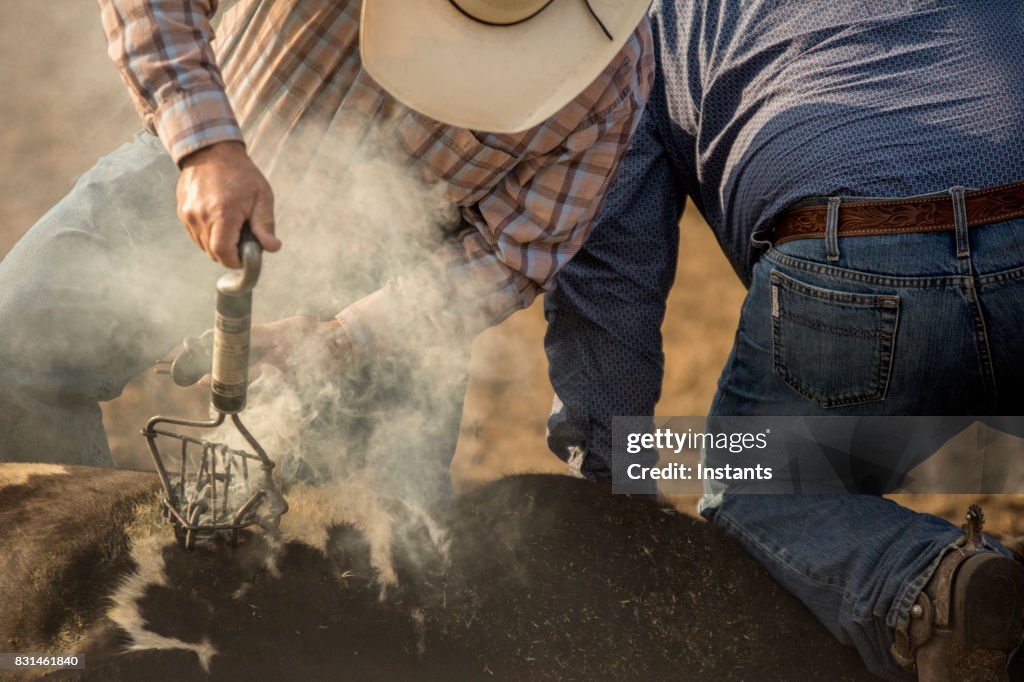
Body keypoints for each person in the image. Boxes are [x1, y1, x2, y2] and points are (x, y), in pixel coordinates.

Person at [0, 0, 653, 503]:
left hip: (389, 280)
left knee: (381, 560)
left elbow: (511, 254)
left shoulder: (605, 69)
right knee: (12, 353)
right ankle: (98, 596)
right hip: (207, 160)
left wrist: (341, 338)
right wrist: (205, 146)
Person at [543, 1, 1024, 680]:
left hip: (851, 259)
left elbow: (611, 276)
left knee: (756, 489)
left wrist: (604, 483)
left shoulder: (642, 21)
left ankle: (932, 587)